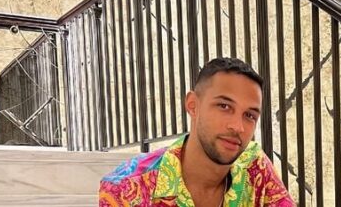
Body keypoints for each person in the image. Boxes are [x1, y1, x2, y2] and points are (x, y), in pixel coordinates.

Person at [99, 57, 294, 207]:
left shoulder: (254, 164)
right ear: (193, 106)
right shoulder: (125, 189)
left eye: (249, 115)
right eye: (224, 106)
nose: (238, 127)